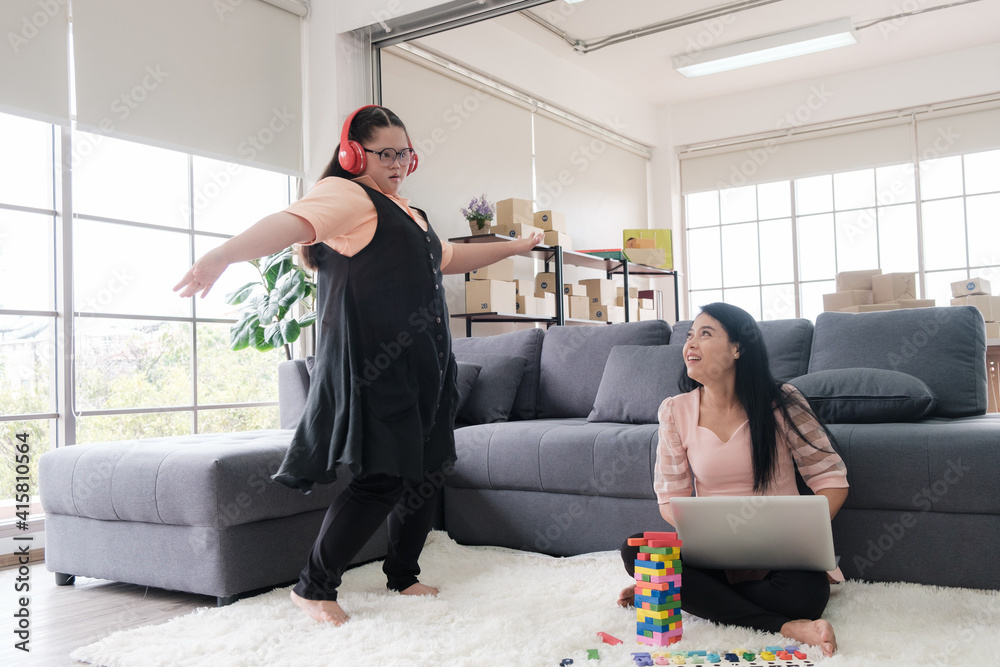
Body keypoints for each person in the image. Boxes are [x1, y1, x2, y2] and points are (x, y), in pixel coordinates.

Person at [175, 105, 543, 626]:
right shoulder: (347, 195)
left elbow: (450, 258)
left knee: (430, 468)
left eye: (405, 154)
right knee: (384, 477)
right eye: (386, 153)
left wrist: (514, 247)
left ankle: (403, 574)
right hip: (378, 367)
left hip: (429, 367)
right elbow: (289, 223)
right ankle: (313, 587)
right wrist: (221, 256)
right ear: (353, 154)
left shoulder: (406, 210)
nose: (398, 163)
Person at [617, 302, 849, 657]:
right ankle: (784, 626)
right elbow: (670, 497)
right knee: (637, 549)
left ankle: (682, 594)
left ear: (738, 348)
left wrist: (801, 533)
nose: (690, 343)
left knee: (806, 596)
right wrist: (708, 535)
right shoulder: (675, 410)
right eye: (689, 334)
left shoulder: (781, 402)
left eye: (705, 334)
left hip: (781, 555)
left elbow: (830, 479)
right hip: (713, 556)